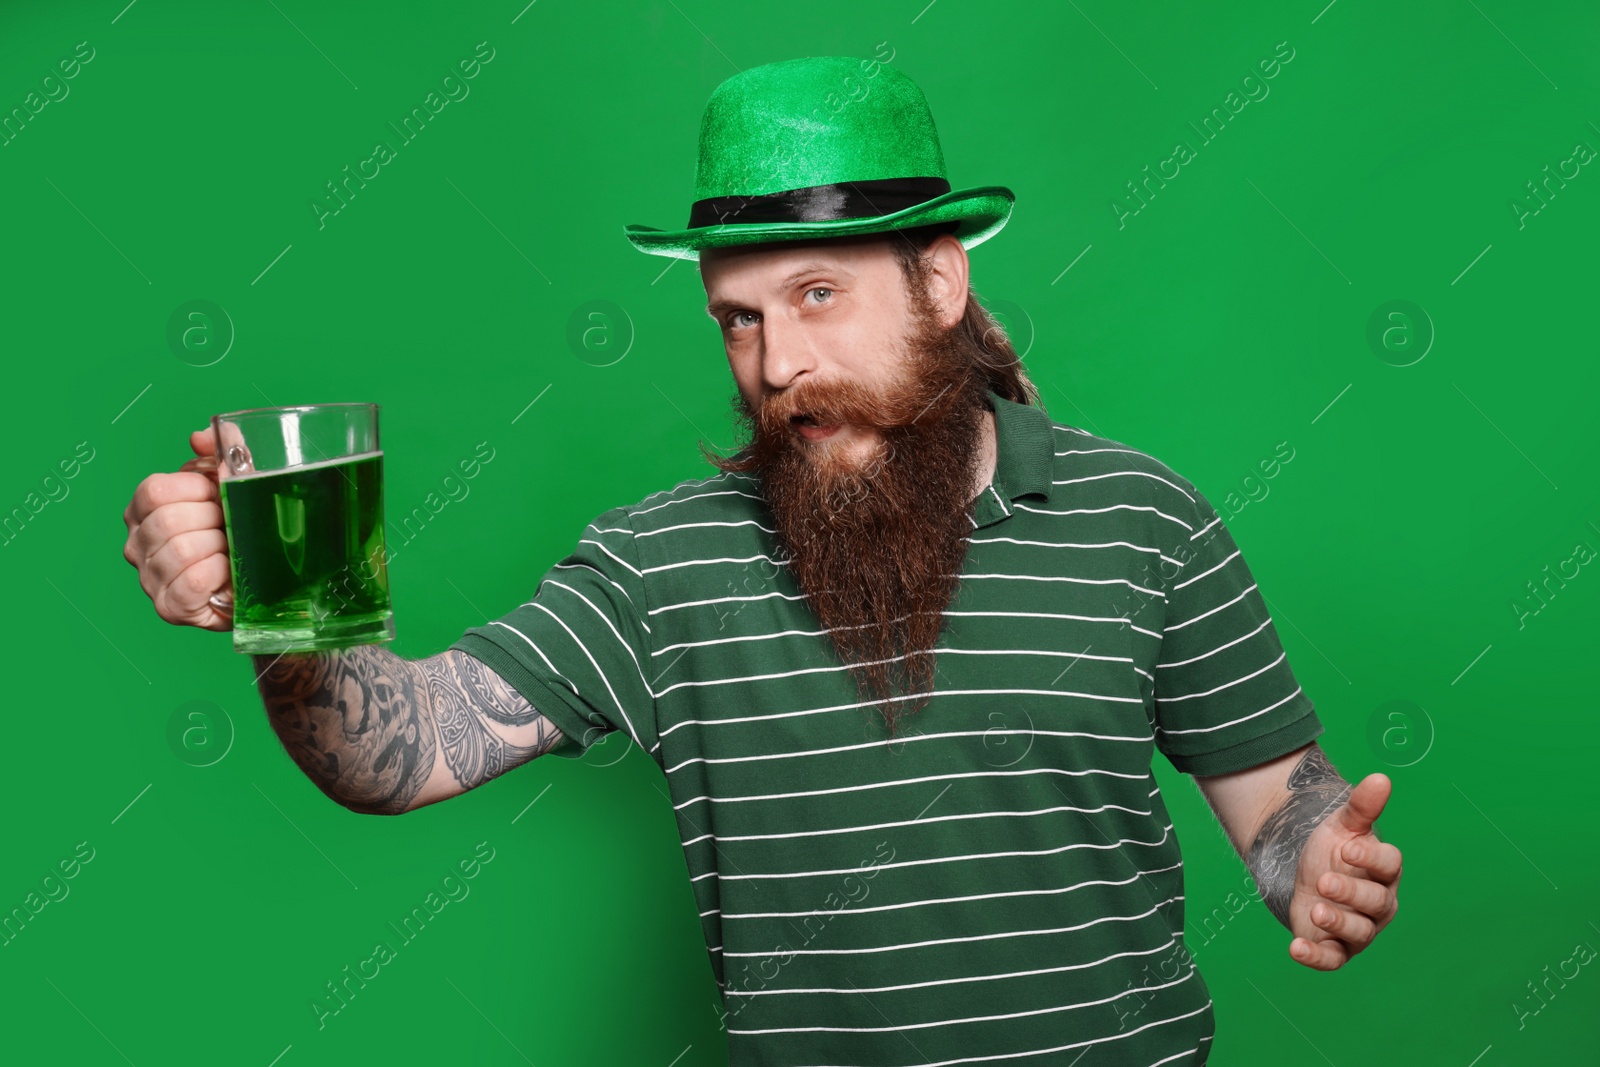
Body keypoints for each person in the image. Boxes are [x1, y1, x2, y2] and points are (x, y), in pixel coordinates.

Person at [123, 56, 1402, 1066]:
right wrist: (285, 598)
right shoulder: (660, 565)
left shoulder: (1143, 517)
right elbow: (389, 748)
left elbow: (1280, 801)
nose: (776, 363)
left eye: (816, 296)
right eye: (737, 317)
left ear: (941, 283)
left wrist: (1313, 862)